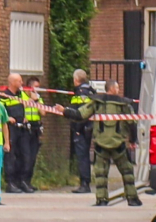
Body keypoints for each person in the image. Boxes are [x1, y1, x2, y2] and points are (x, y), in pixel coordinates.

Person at [57, 79, 142, 207]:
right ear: (113, 88)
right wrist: (132, 140)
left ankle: (102, 199)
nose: (118, 90)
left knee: (101, 173)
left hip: (101, 143)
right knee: (127, 171)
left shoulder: (97, 102)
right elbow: (132, 123)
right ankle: (132, 198)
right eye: (117, 88)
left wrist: (65, 111)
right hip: (119, 143)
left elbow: (80, 115)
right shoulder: (124, 104)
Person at [1, 73, 33, 193]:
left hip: (22, 128)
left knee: (25, 155)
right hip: (11, 128)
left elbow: (30, 102)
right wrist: (7, 118)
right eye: (19, 81)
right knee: (10, 156)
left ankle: (22, 181)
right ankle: (10, 183)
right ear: (12, 82)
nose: (22, 83)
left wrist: (24, 117)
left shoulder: (21, 94)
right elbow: (0, 111)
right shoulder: (4, 96)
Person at [69, 69, 96, 194]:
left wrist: (78, 129)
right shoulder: (90, 90)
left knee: (82, 156)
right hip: (88, 128)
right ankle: (85, 182)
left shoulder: (81, 92)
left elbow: (81, 113)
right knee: (84, 155)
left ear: (76, 79)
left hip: (82, 129)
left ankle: (84, 184)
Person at [24, 76, 46, 191]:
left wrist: (36, 101)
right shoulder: (22, 96)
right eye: (36, 87)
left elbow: (43, 112)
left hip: (35, 127)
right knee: (26, 156)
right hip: (25, 128)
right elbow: (21, 108)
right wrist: (29, 101)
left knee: (33, 156)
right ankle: (22, 181)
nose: (38, 90)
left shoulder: (38, 98)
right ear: (29, 87)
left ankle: (28, 181)